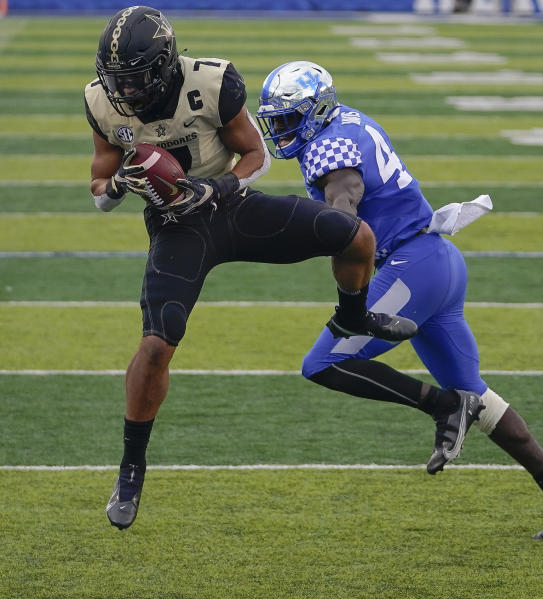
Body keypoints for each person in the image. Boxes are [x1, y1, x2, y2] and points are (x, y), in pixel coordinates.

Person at [86, 6, 420, 530]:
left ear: (165, 63)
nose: (125, 92)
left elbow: (255, 156)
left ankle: (353, 314)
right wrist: (123, 186)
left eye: (136, 79)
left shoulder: (213, 81)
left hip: (231, 205)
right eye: (118, 81)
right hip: (177, 227)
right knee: (156, 344)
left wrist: (214, 187)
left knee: (354, 235)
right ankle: (132, 464)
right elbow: (99, 189)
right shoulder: (102, 103)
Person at [256, 61, 543, 540]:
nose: (282, 129)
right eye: (278, 120)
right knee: (475, 393)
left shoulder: (327, 147)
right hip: (439, 261)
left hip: (411, 266)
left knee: (323, 363)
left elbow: (344, 221)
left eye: (290, 118)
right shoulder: (349, 119)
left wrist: (293, 239)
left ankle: (441, 407)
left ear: (316, 111)